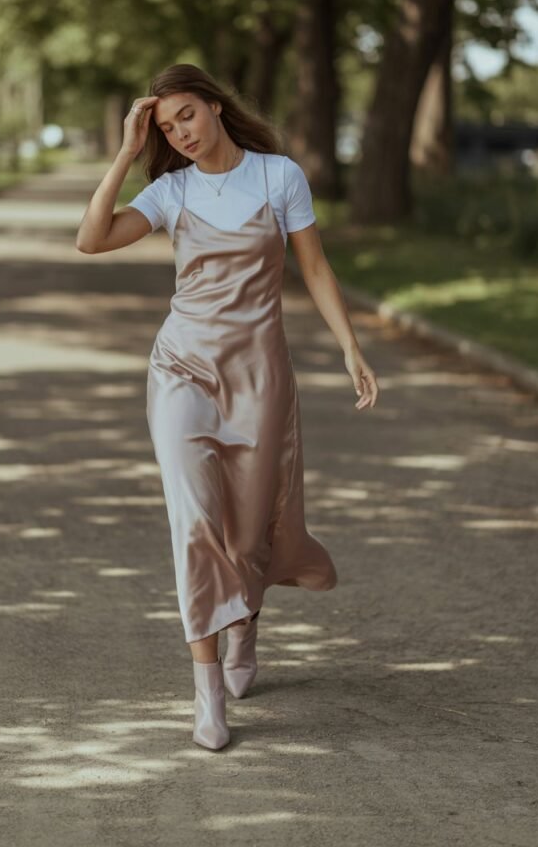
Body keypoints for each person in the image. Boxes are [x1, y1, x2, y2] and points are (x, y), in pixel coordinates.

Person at [76, 64, 379, 751]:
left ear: (214, 106)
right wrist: (125, 152)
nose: (178, 132)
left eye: (186, 114)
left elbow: (316, 269)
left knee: (247, 532)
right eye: (164, 126)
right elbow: (90, 240)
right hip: (182, 370)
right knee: (194, 524)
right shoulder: (171, 191)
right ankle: (207, 693)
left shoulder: (279, 177)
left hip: (260, 378)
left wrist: (350, 349)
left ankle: (245, 619)